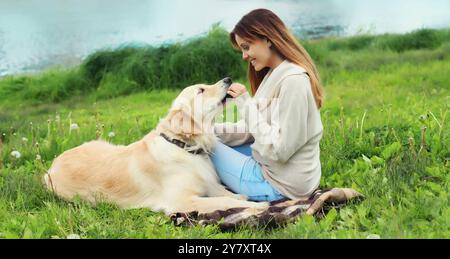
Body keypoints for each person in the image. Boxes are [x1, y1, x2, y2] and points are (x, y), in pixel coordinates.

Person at [210, 8, 325, 202]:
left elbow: (279, 151)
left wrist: (246, 105)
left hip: (280, 186)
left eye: (246, 47)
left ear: (268, 39)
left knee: (205, 147)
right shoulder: (274, 74)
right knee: (203, 138)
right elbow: (254, 130)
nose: (244, 56)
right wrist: (208, 130)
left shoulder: (293, 82)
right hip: (276, 170)